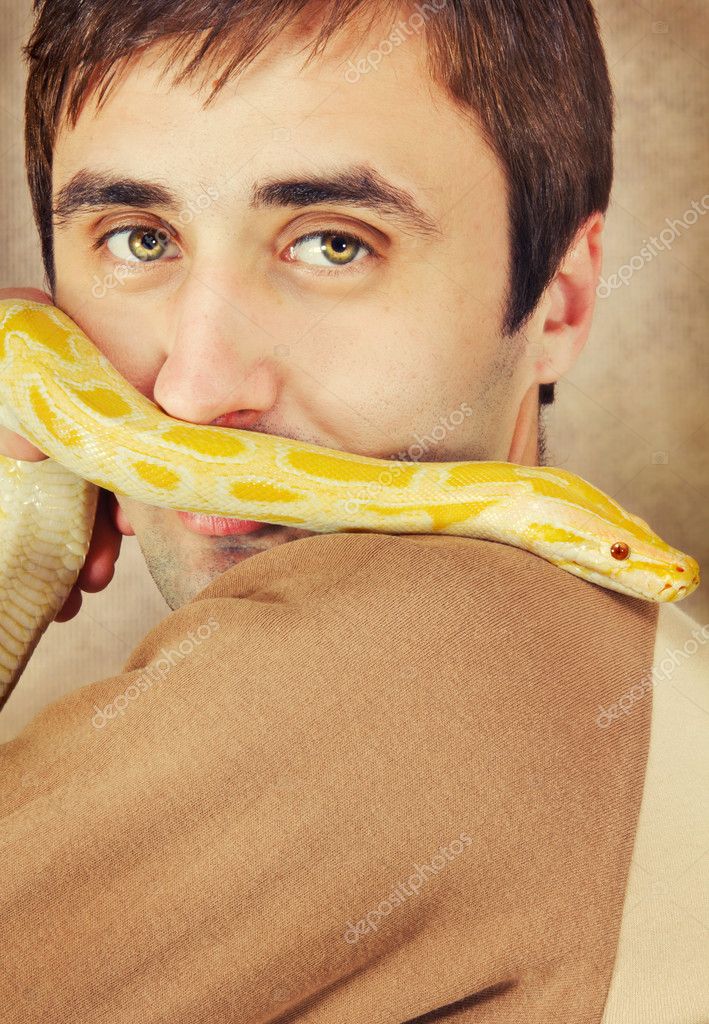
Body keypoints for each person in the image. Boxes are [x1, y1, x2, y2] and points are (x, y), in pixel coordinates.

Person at [0, 2, 706, 1021]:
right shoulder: (624, 662)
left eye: (334, 243)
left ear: (560, 304)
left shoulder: (410, 654)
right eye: (140, 238)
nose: (196, 394)